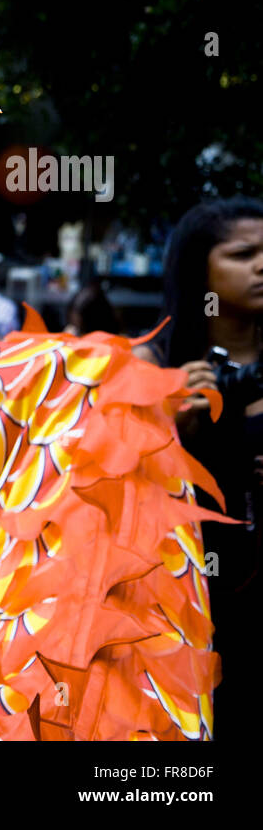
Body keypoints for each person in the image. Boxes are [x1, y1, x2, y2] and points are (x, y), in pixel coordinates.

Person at [153, 196, 263, 739]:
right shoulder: (154, 368)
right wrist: (166, 428)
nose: (262, 265)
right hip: (185, 596)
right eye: (244, 254)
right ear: (201, 271)